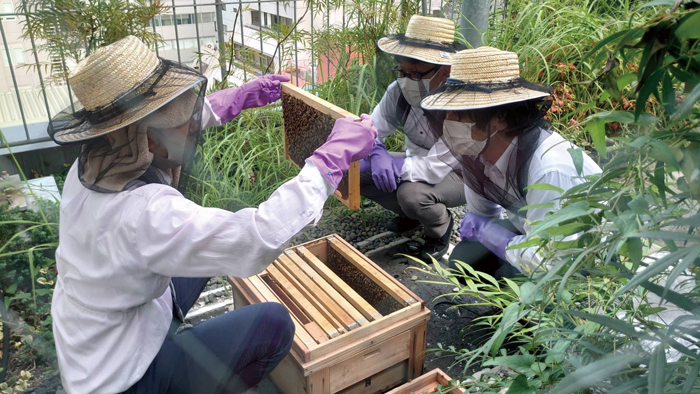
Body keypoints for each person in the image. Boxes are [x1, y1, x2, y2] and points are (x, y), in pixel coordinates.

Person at [47, 36, 377, 394]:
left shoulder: (98, 162)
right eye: (181, 120)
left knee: (211, 253)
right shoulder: (145, 214)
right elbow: (255, 238)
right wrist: (331, 160)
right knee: (274, 323)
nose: (191, 125)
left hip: (101, 324)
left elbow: (166, 126)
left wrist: (238, 98)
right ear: (148, 141)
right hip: (122, 378)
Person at [419, 46, 601, 278]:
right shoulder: (477, 151)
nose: (449, 121)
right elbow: (482, 216)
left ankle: (539, 312)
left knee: (518, 273)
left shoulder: (549, 168)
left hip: (583, 252)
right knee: (465, 260)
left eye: (460, 113)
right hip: (534, 229)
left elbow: (550, 261)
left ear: (501, 118)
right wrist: (485, 230)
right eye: (448, 112)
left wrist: (490, 235)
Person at [361, 15, 467, 260]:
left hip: (461, 173)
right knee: (352, 171)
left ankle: (438, 228)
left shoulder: (462, 106)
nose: (408, 80)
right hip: (417, 160)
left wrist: (393, 164)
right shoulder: (398, 92)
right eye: (403, 72)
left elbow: (432, 169)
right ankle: (413, 215)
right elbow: (371, 129)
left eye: (417, 74)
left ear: (446, 70)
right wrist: (376, 150)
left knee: (412, 195)